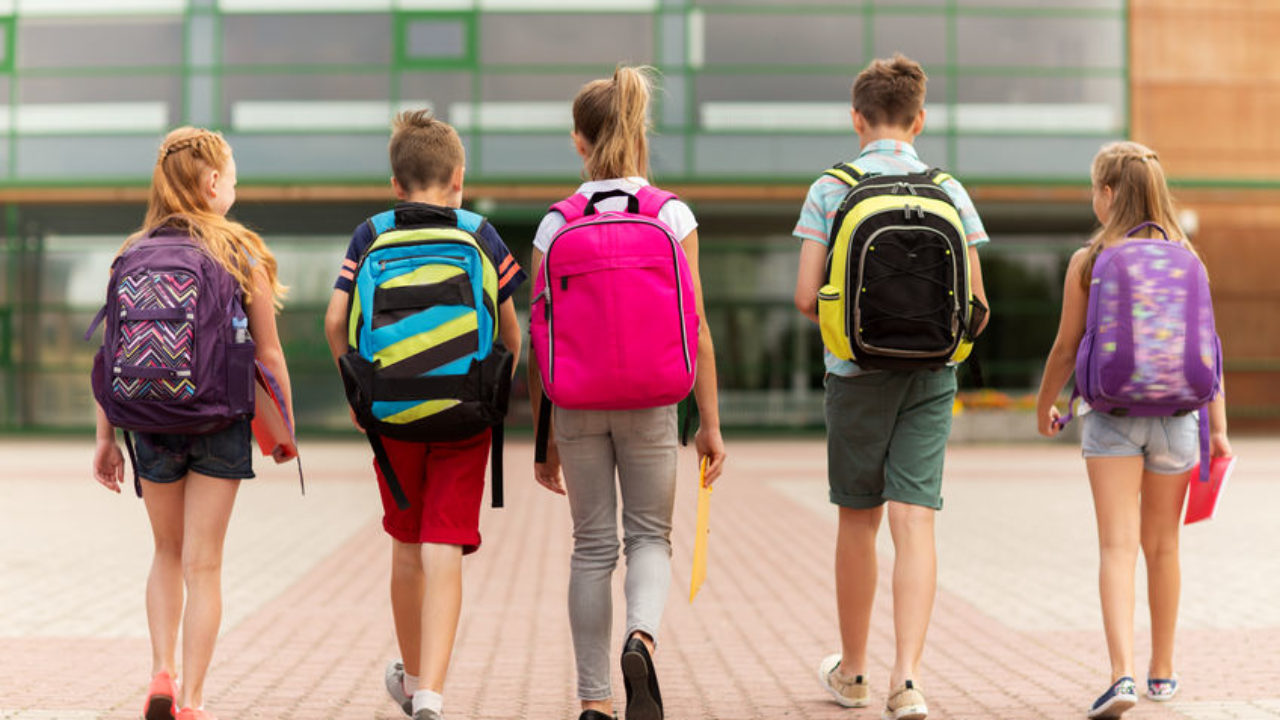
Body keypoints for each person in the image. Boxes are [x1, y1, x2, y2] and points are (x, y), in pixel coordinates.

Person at [527, 65, 727, 720]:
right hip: (654, 399)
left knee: (591, 547)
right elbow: (695, 327)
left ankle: (594, 700)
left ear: (578, 143)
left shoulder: (555, 225)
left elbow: (540, 340)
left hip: (577, 404)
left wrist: (543, 438)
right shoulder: (671, 214)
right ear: (640, 133)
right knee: (649, 538)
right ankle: (640, 637)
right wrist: (710, 424)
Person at [793, 54, 990, 720]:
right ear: (920, 119)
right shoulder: (950, 190)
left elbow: (803, 296)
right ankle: (906, 681)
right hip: (932, 376)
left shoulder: (831, 188)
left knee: (859, 517)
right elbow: (976, 301)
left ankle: (852, 673)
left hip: (855, 373)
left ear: (857, 118)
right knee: (915, 520)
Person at [322, 109, 525, 720]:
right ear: (458, 176)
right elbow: (513, 333)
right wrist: (494, 394)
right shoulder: (481, 234)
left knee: (406, 543)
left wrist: (359, 393)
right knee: (444, 543)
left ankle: (411, 684)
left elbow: (335, 323)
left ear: (395, 183)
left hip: (391, 413)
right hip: (465, 412)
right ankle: (433, 693)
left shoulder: (370, 234)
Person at [92, 127, 295, 720]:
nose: (233, 187)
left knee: (166, 550)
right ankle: (196, 701)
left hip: (148, 422)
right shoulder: (240, 251)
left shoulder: (130, 252)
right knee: (205, 564)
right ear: (212, 184)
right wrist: (284, 431)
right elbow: (270, 353)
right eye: (232, 178)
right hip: (219, 421)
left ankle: (162, 673)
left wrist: (106, 439)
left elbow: (109, 355)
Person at [1036, 141, 1231, 719]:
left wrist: (1046, 403)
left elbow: (1067, 347)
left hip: (1111, 420)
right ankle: (1163, 672)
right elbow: (1208, 349)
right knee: (1164, 547)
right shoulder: (1188, 256)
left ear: (1107, 194)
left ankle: (1120, 676)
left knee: (1117, 549)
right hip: (1178, 419)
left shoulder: (1091, 258)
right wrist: (1217, 429)